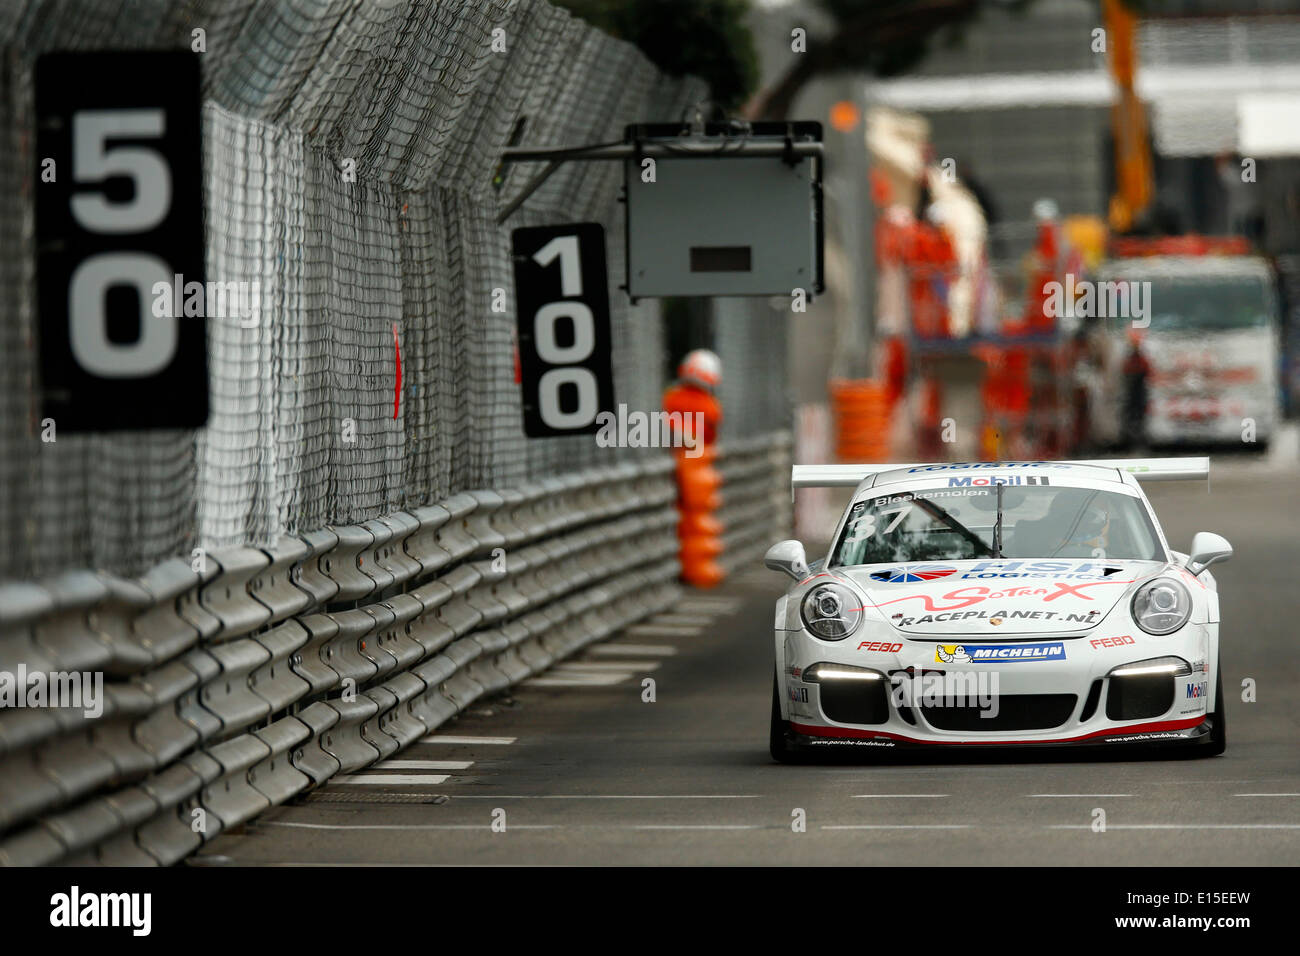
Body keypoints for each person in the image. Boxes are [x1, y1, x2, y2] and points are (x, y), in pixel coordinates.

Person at [1120, 329, 1152, 451]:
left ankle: (1136, 442)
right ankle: (1131, 442)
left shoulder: (1140, 359)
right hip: (1132, 393)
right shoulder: (1131, 360)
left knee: (1138, 419)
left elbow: (1147, 372)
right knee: (1132, 418)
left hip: (1137, 393)